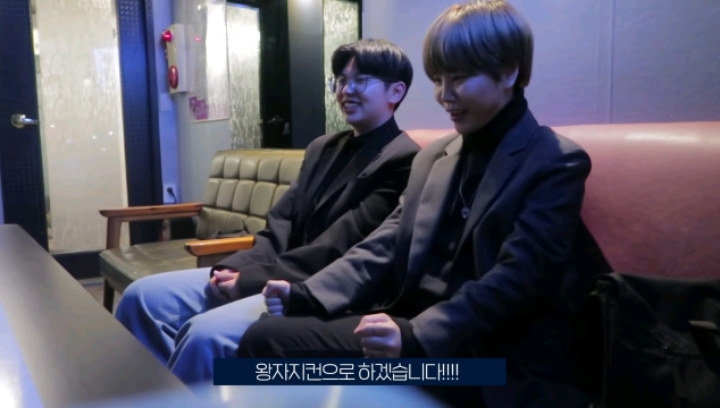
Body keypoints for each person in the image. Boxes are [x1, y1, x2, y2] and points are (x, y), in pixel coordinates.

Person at [239, 2, 607, 407]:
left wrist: (416, 335)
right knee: (263, 338)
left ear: (509, 72)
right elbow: (385, 241)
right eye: (437, 80)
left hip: (486, 360)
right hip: (410, 327)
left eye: (459, 78)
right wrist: (308, 293)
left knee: (271, 355)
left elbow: (518, 277)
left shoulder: (555, 161)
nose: (445, 96)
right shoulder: (435, 156)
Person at [115, 38, 419, 384]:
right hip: (268, 270)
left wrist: (250, 281)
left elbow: (340, 247)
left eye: (360, 80)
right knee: (142, 297)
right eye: (340, 80)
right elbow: (280, 222)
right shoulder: (323, 147)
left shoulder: (403, 159)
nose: (345, 90)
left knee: (203, 335)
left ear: (396, 91)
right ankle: (150, 391)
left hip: (314, 286)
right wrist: (236, 268)